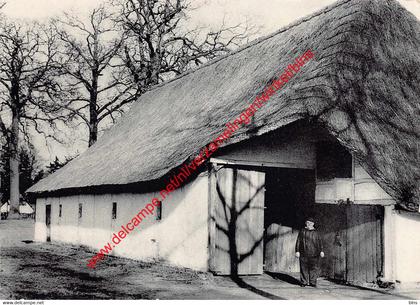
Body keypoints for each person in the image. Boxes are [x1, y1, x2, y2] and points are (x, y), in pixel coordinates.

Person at [295, 217, 324, 287]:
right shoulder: (302, 231)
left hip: (314, 254)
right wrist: (297, 251)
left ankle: (313, 282)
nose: (309, 224)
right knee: (303, 268)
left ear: (313, 224)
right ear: (306, 223)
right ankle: (303, 282)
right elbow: (298, 241)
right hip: (303, 253)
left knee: (313, 269)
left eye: (310, 223)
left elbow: (320, 242)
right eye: (307, 223)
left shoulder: (317, 232)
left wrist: (321, 251)